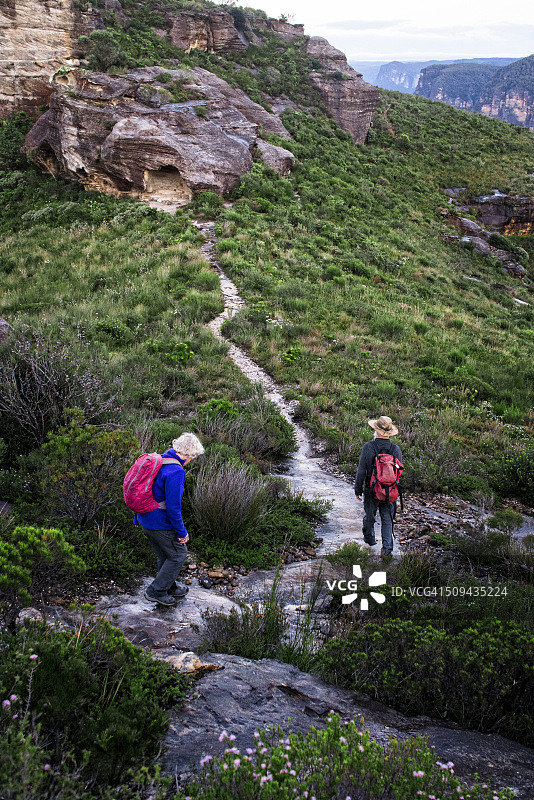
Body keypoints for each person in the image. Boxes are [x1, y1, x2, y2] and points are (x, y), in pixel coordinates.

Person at [136, 432, 205, 607]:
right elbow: (173, 508)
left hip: (145, 519)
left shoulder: (160, 460)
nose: (192, 461)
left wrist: (137, 516)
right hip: (159, 523)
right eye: (193, 457)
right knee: (178, 554)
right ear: (188, 455)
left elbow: (143, 490)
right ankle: (156, 591)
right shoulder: (176, 472)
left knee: (165, 554)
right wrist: (182, 532)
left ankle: (169, 586)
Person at [354, 416, 402, 556]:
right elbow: (398, 472)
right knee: (387, 518)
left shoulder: (369, 447)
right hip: (390, 491)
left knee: (370, 515)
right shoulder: (396, 449)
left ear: (377, 431)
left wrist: (358, 490)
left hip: (371, 489)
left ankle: (369, 541)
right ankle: (387, 550)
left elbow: (361, 470)